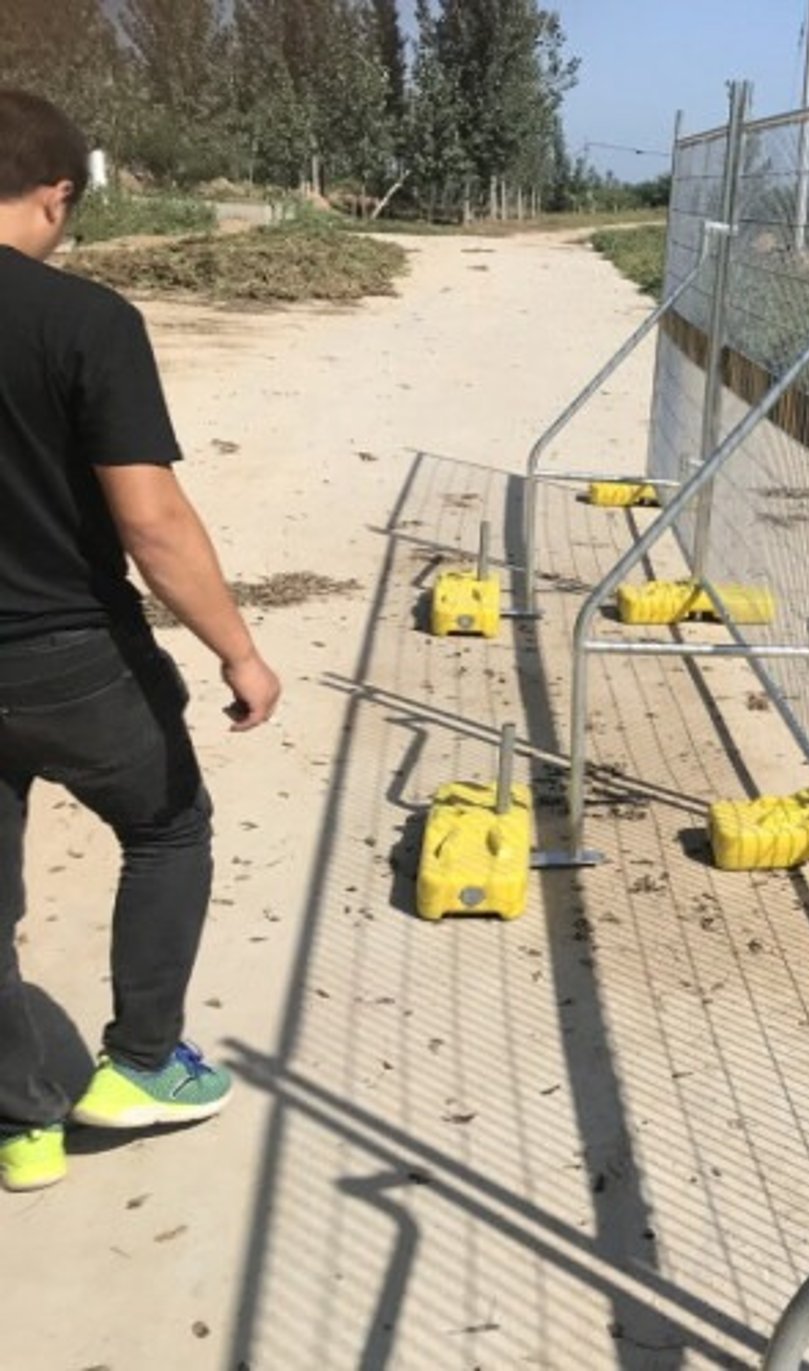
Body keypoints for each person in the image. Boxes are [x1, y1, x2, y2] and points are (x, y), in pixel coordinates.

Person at [0, 90, 281, 1193]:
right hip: (70, 653)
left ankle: (21, 1127)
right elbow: (151, 521)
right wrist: (237, 652)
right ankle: (142, 1067)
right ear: (59, 194)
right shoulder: (84, 323)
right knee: (169, 829)